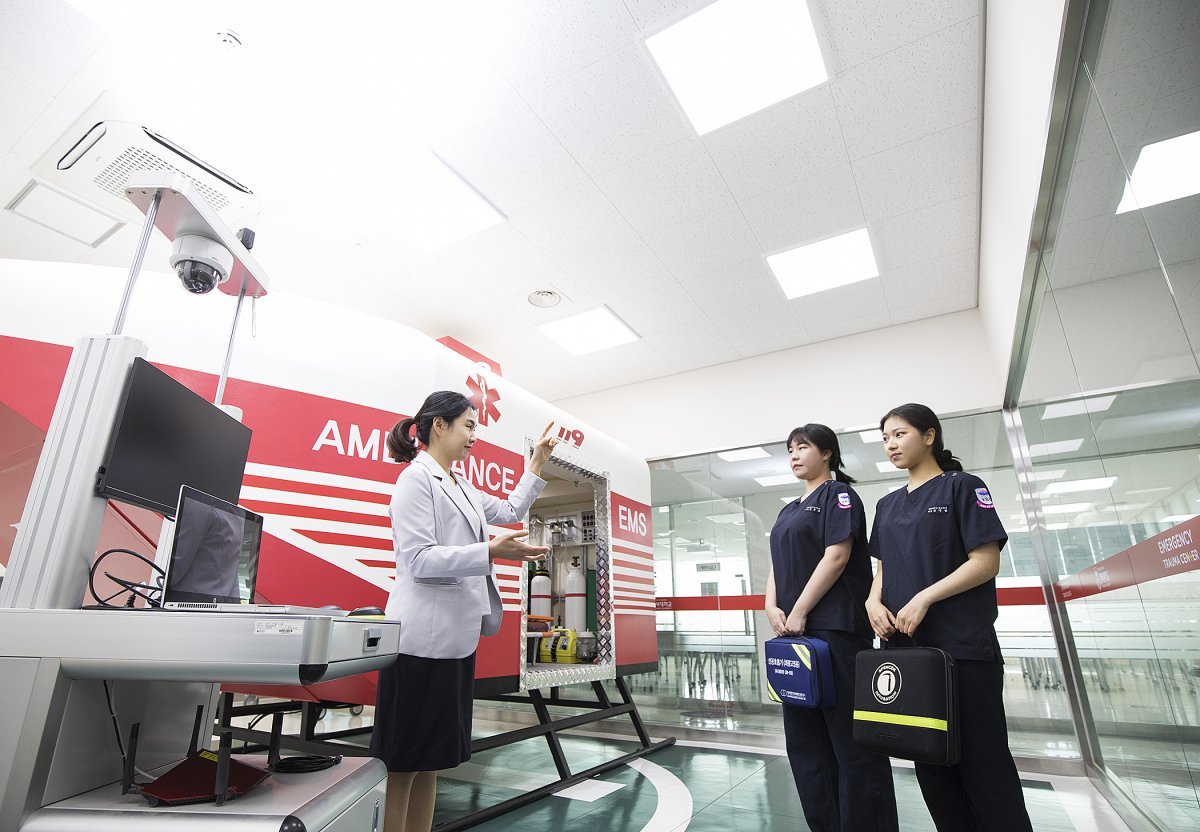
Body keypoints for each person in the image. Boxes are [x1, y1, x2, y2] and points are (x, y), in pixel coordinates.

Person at [370, 391, 557, 832]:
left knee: (433, 760)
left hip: (454, 642)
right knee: (404, 764)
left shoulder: (460, 484)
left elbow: (510, 510)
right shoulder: (415, 481)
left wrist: (537, 463)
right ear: (440, 425)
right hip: (419, 645)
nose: (474, 435)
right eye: (469, 425)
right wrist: (488, 551)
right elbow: (418, 561)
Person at [865, 403, 1033, 832]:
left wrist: (925, 597)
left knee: (984, 765)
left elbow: (986, 560)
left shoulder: (962, 487)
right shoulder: (886, 505)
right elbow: (883, 568)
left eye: (899, 434)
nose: (891, 444)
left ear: (929, 436)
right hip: (908, 656)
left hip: (962, 649)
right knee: (931, 764)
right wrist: (871, 601)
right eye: (885, 438)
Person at [765, 424, 898, 832]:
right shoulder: (787, 510)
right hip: (794, 637)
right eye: (790, 449)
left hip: (835, 632)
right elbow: (776, 565)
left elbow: (837, 555)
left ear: (827, 453)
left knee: (850, 742)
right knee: (806, 744)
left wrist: (802, 608)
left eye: (803, 447)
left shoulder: (839, 496)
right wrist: (770, 605)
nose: (794, 455)